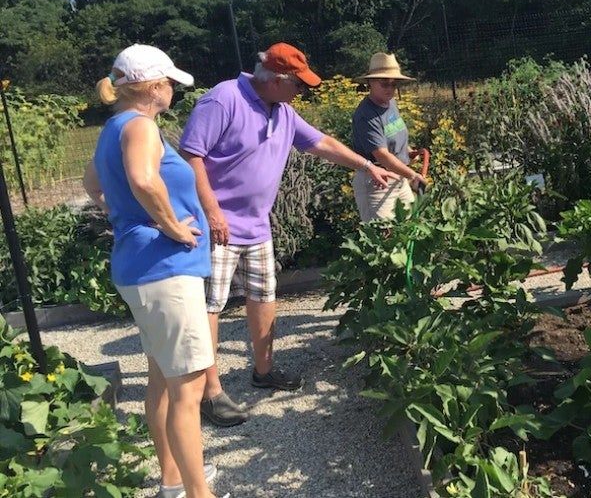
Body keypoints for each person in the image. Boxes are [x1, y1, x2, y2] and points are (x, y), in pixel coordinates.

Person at [179, 42, 394, 427]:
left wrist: (365, 165)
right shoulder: (222, 100)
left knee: (263, 297)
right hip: (219, 226)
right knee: (209, 307)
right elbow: (191, 155)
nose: (303, 91)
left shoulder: (284, 111)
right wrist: (212, 213)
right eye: (299, 85)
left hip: (257, 225)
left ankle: (264, 372)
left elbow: (322, 143)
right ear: (278, 80)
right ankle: (210, 393)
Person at [83, 44, 226, 498]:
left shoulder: (115, 126)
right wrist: (170, 227)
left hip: (140, 268)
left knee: (162, 377)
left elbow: (92, 184)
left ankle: (173, 481)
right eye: (168, 83)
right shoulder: (142, 126)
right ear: (154, 86)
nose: (171, 91)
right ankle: (198, 495)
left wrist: (128, 219)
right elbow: (144, 180)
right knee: (189, 388)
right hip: (165, 269)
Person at [351, 52, 428, 222]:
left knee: (412, 227)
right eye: (385, 83)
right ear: (370, 82)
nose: (390, 88)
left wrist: (406, 151)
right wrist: (413, 175)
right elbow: (382, 156)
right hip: (378, 181)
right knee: (383, 239)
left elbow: (394, 134)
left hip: (398, 176)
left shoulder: (390, 104)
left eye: (394, 84)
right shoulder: (367, 115)